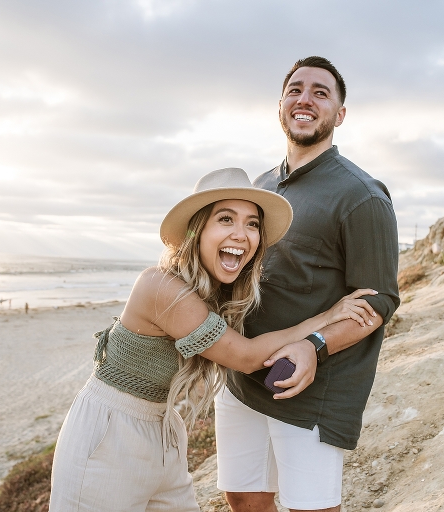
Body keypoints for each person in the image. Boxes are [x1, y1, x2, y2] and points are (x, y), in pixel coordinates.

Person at [49, 167, 378, 512]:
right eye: (226, 219)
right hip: (110, 432)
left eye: (252, 224)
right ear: (197, 231)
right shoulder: (160, 287)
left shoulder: (216, 296)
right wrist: (326, 318)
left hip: (164, 432)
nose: (241, 234)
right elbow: (248, 356)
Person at [216, 57, 401, 512]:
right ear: (281, 106)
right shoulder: (261, 188)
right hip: (242, 375)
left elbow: (379, 300)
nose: (305, 98)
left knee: (310, 508)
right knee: (243, 496)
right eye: (295, 89)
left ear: (339, 114)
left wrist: (314, 345)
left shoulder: (361, 196)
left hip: (306, 383)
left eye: (321, 92)